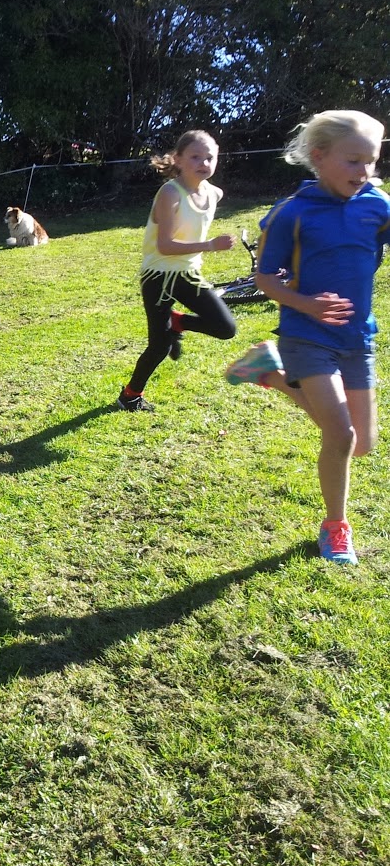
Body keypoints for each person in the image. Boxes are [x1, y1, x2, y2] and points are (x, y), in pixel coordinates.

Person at [223, 110, 390, 565]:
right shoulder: (291, 213)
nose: (364, 172)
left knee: (362, 443)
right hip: (306, 334)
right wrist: (309, 304)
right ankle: (336, 527)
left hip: (358, 338)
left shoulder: (378, 205)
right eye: (353, 161)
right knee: (340, 436)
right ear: (319, 157)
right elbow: (264, 278)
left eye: (371, 161)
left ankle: (270, 373)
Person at [117, 130, 238, 412]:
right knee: (158, 347)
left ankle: (177, 322)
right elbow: (165, 246)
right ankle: (130, 396)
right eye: (195, 157)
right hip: (159, 276)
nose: (204, 163)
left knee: (226, 328)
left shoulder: (213, 193)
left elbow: (207, 204)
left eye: (210, 157)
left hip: (188, 274)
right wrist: (210, 244)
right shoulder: (170, 192)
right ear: (178, 159)